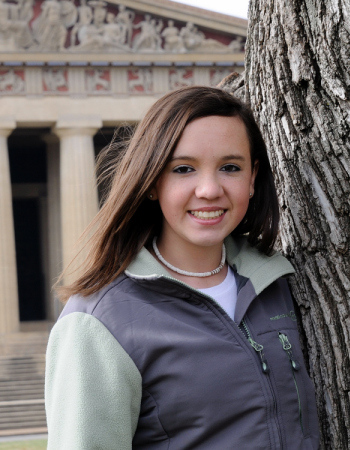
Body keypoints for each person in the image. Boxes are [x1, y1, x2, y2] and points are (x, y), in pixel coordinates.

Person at [45, 86, 320, 449]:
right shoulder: (98, 323)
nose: (209, 189)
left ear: (252, 178)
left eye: (230, 167)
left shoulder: (279, 284)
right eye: (184, 168)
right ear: (152, 182)